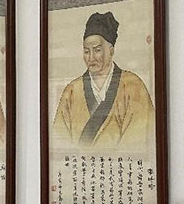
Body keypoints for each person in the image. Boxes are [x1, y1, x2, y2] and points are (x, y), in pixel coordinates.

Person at [52, 11, 155, 150]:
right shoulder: (71, 90)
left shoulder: (133, 85)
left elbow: (139, 141)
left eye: (97, 50)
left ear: (111, 51)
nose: (91, 58)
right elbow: (59, 140)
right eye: (86, 51)